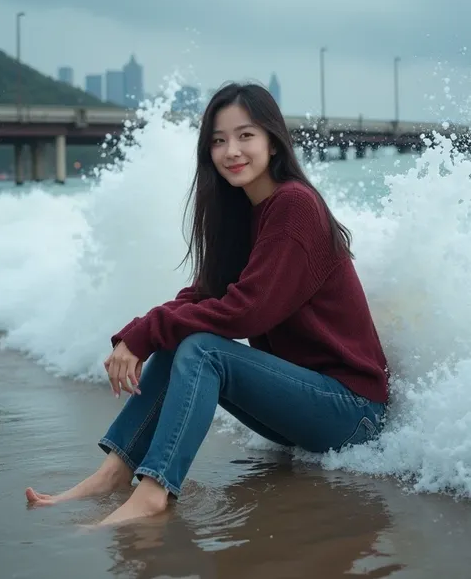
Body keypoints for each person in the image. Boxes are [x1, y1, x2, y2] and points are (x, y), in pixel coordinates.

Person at [26, 82, 388, 526]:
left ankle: (154, 492)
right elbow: (203, 295)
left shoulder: (295, 205)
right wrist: (144, 329)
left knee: (202, 348)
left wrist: (147, 331)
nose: (231, 150)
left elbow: (247, 312)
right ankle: (114, 474)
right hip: (305, 410)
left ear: (273, 140)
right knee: (182, 339)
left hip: (353, 414)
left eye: (245, 136)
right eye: (218, 140)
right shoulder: (243, 211)